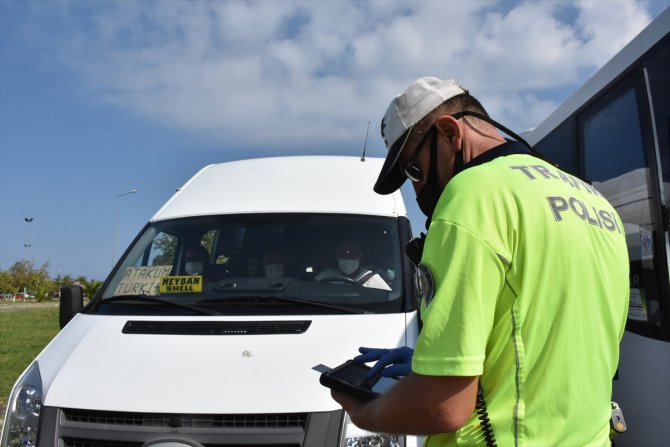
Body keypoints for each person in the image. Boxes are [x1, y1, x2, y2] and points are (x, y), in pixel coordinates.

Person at [329, 76, 629, 446]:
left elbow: (445, 408)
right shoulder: (595, 203)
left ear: (450, 132)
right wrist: (440, 361)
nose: (417, 191)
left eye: (413, 170)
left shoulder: (471, 194)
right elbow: (548, 339)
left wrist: (365, 414)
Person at [314, 239, 391, 291]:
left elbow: (388, 300)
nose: (347, 257)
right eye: (343, 253)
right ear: (337, 256)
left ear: (360, 256)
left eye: (352, 254)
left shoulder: (373, 279)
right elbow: (310, 290)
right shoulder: (326, 276)